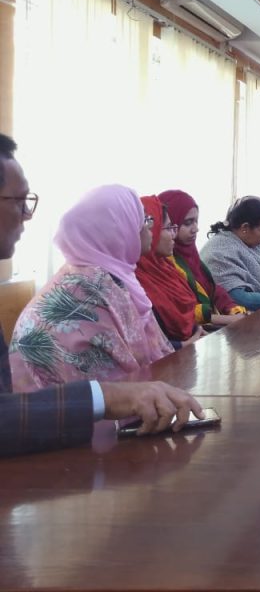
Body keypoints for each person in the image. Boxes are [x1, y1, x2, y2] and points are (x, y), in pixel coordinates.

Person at [0, 135, 201, 456]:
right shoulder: (87, 288)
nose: (27, 214)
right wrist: (105, 397)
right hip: (59, 449)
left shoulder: (108, 279)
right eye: (19, 201)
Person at [9, 184, 175, 391]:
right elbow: (123, 390)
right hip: (64, 408)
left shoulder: (89, 274)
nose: (149, 227)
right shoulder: (94, 286)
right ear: (119, 230)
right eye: (143, 219)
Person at [158, 189, 247, 328]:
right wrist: (226, 319)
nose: (195, 229)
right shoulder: (163, 262)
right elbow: (180, 309)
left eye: (196, 221)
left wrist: (231, 308)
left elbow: (211, 288)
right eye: (187, 223)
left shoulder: (190, 253)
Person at [135, 195, 205, 348]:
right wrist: (186, 343)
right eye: (168, 228)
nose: (174, 235)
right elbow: (146, 343)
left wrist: (197, 332)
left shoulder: (166, 267)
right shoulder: (132, 279)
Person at [201, 196, 260, 310]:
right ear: (245, 227)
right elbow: (238, 299)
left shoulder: (252, 242)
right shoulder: (218, 253)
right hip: (240, 318)